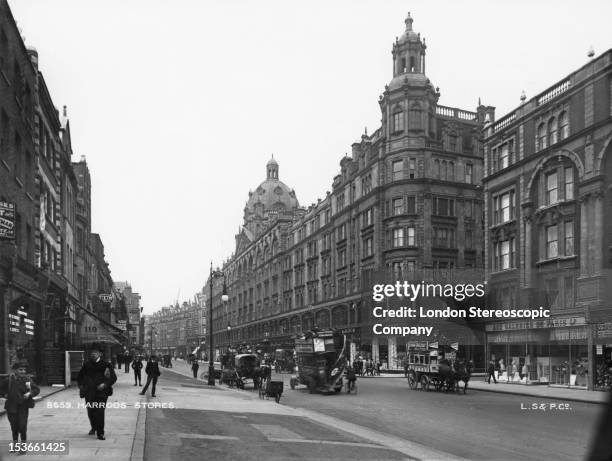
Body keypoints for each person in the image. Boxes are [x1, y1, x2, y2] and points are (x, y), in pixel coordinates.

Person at [77, 344, 117, 440]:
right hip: (89, 392)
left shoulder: (106, 365)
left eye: (95, 352)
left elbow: (113, 378)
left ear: (100, 354)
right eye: (92, 352)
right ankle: (93, 427)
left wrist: (105, 384)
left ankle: (100, 433)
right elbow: (80, 377)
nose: (93, 354)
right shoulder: (87, 365)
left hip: (101, 393)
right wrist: (82, 386)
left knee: (99, 412)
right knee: (91, 411)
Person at [0, 362, 40, 446]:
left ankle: (23, 445)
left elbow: (36, 389)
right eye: (20, 369)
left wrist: (29, 393)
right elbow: (1, 390)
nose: (23, 371)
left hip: (23, 407)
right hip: (11, 407)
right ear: (14, 370)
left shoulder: (27, 379)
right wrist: (4, 395)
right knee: (14, 427)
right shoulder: (8, 380)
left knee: (22, 426)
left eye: (24, 370)